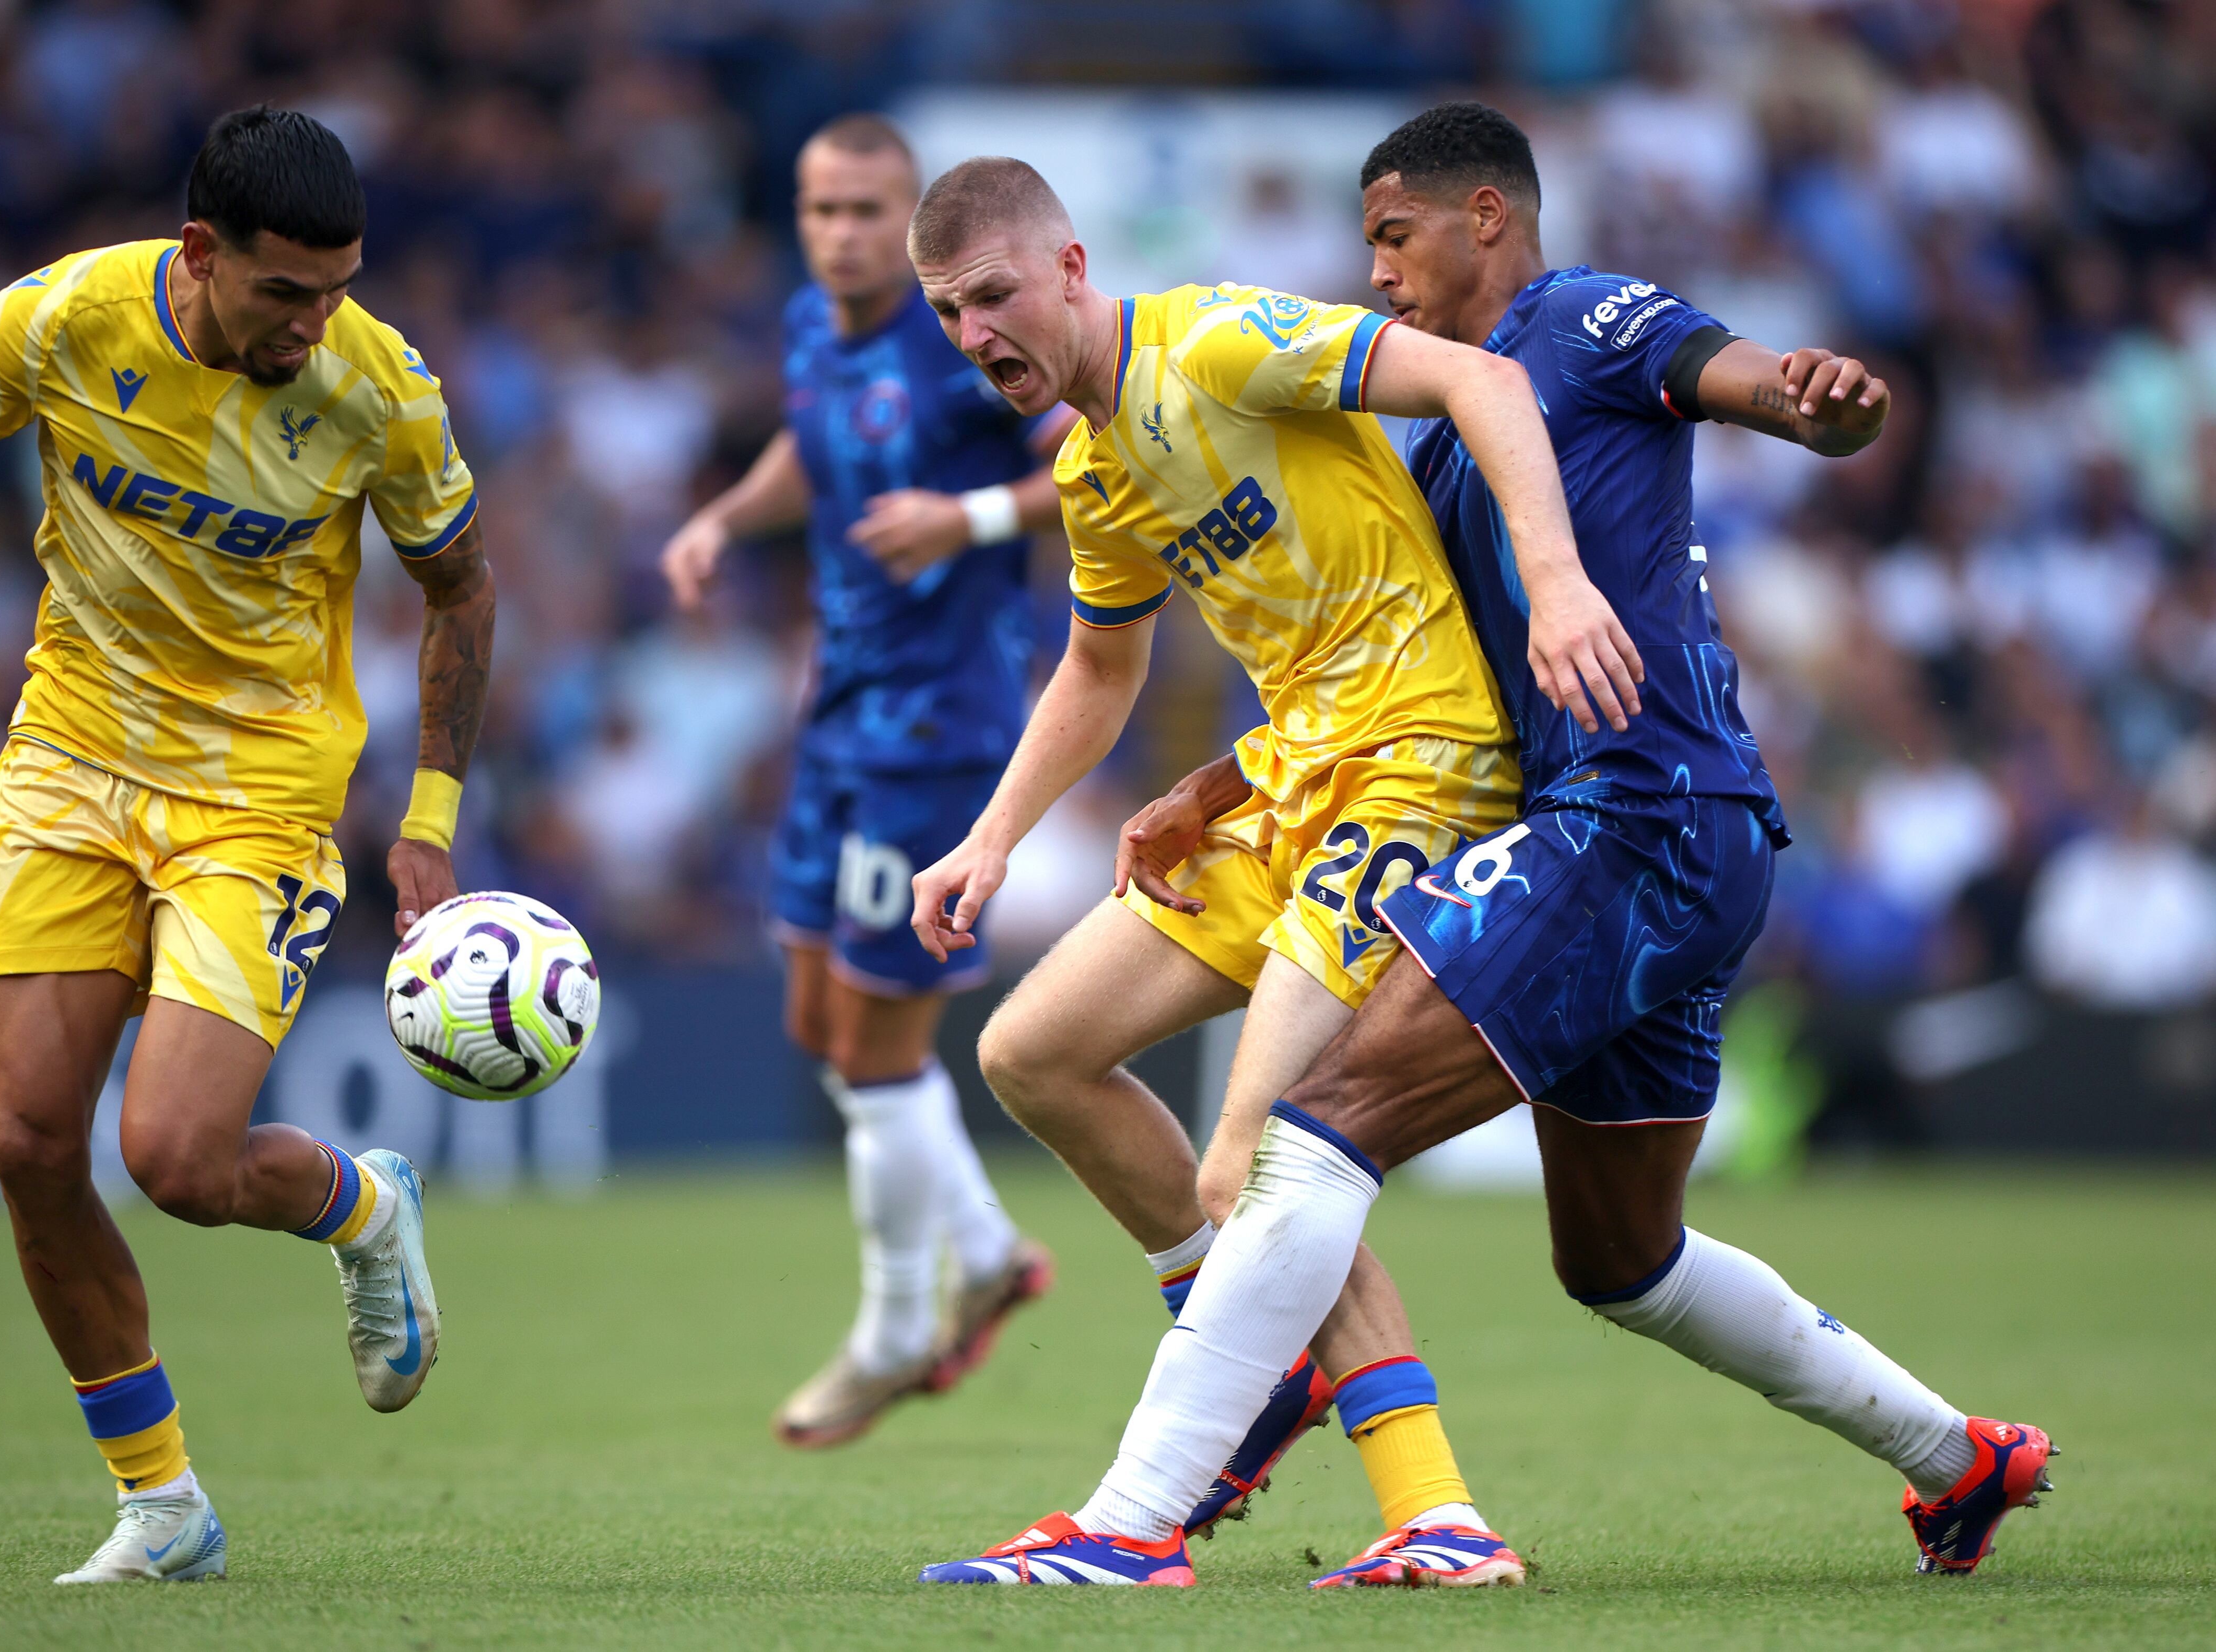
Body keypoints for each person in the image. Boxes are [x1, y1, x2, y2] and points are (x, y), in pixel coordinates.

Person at [928, 102, 2053, 1590]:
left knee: (1299, 1138)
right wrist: (1203, 782)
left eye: (1391, 237)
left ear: (1484, 217)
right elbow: (1376, 639)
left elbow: (1733, 377)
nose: (1373, 273)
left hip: (1627, 814)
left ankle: (1155, 1513)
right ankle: (1958, 1458)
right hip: (1614, 830)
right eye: (945, 315)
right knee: (1616, 1257)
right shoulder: (1435, 461)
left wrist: (1810, 404)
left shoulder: (1572, 322)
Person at [899, 153, 1636, 1587]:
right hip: (1292, 781)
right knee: (1031, 1050)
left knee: (1259, 1159)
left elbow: (1485, 389)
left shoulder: (1221, 340)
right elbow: (1099, 669)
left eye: (991, 295)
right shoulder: (1093, 463)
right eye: (943, 314)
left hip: (1419, 762)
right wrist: (991, 839)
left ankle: (1427, 1512)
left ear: (1066, 269)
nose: (975, 333)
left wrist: (1556, 588)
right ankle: (1256, 1354)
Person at [0, 108, 494, 1584]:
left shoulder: (382, 393)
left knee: (175, 1155)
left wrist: (429, 818)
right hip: (69, 763)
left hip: (259, 793)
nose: (318, 322)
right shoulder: (65, 318)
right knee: (24, 1139)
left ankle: (361, 1207)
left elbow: (462, 589)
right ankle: (161, 1498)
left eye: (340, 288)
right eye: (287, 293)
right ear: (200, 256)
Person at [659, 115, 1063, 1448]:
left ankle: (897, 1326)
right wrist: (726, 514)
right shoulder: (811, 330)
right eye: (820, 208)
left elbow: (1097, 451)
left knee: (880, 1047)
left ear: (911, 221)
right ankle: (992, 1248)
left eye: (865, 212)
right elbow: (812, 448)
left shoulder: (963, 347)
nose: (840, 234)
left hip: (938, 731)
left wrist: (975, 516)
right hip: (836, 720)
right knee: (819, 1028)